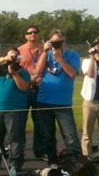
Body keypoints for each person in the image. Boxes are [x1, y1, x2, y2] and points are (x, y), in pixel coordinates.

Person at [33, 30, 82, 165]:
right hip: (44, 100)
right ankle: (52, 161)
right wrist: (44, 52)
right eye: (54, 42)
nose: (57, 45)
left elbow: (72, 73)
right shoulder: (46, 54)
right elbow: (37, 72)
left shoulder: (72, 55)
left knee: (70, 135)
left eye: (60, 42)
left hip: (62, 102)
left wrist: (60, 57)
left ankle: (76, 162)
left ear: (64, 42)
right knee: (47, 135)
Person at [0, 48, 30, 171]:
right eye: (11, 56)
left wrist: (14, 73)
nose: (13, 59)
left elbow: (24, 87)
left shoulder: (23, 72)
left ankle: (15, 162)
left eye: (15, 57)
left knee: (15, 137)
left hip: (15, 109)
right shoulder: (0, 70)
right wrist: (5, 59)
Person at [17, 25, 46, 159]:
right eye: (30, 33)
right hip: (25, 88)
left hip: (40, 88)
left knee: (40, 121)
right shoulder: (20, 50)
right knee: (21, 120)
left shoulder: (44, 49)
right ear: (26, 35)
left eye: (35, 32)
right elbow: (16, 68)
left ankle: (39, 151)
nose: (33, 35)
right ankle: (19, 150)